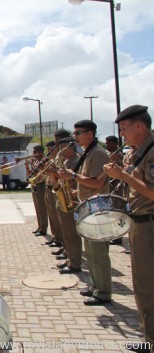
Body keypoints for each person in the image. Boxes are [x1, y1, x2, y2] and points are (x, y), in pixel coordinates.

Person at [104, 105, 154, 351]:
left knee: (148, 286)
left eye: (124, 129)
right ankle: (148, 337)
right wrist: (123, 171)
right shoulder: (140, 152)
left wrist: (124, 176)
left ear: (139, 126)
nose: (121, 135)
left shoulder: (153, 153)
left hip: (150, 225)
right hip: (140, 223)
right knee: (142, 285)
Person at [59, 120, 111, 306]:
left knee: (98, 253)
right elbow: (89, 181)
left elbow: (97, 183)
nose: (75, 137)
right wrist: (76, 191)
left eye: (78, 133)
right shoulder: (89, 153)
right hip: (88, 206)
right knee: (90, 251)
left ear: (90, 133)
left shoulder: (97, 154)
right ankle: (95, 286)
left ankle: (103, 292)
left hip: (98, 208)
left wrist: (72, 176)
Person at [54, 136, 82, 274]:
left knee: (72, 233)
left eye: (62, 148)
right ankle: (70, 259)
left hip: (72, 199)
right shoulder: (67, 161)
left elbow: (73, 180)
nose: (60, 151)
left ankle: (75, 262)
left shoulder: (76, 161)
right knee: (66, 232)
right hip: (65, 197)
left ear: (70, 147)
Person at [25, 146, 48, 236]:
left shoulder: (44, 161)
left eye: (35, 152)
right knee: (37, 207)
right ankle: (40, 226)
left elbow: (44, 174)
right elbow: (31, 174)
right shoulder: (35, 161)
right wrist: (27, 167)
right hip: (35, 184)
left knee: (42, 208)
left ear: (41, 152)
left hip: (42, 185)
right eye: (33, 152)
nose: (34, 154)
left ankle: (43, 228)